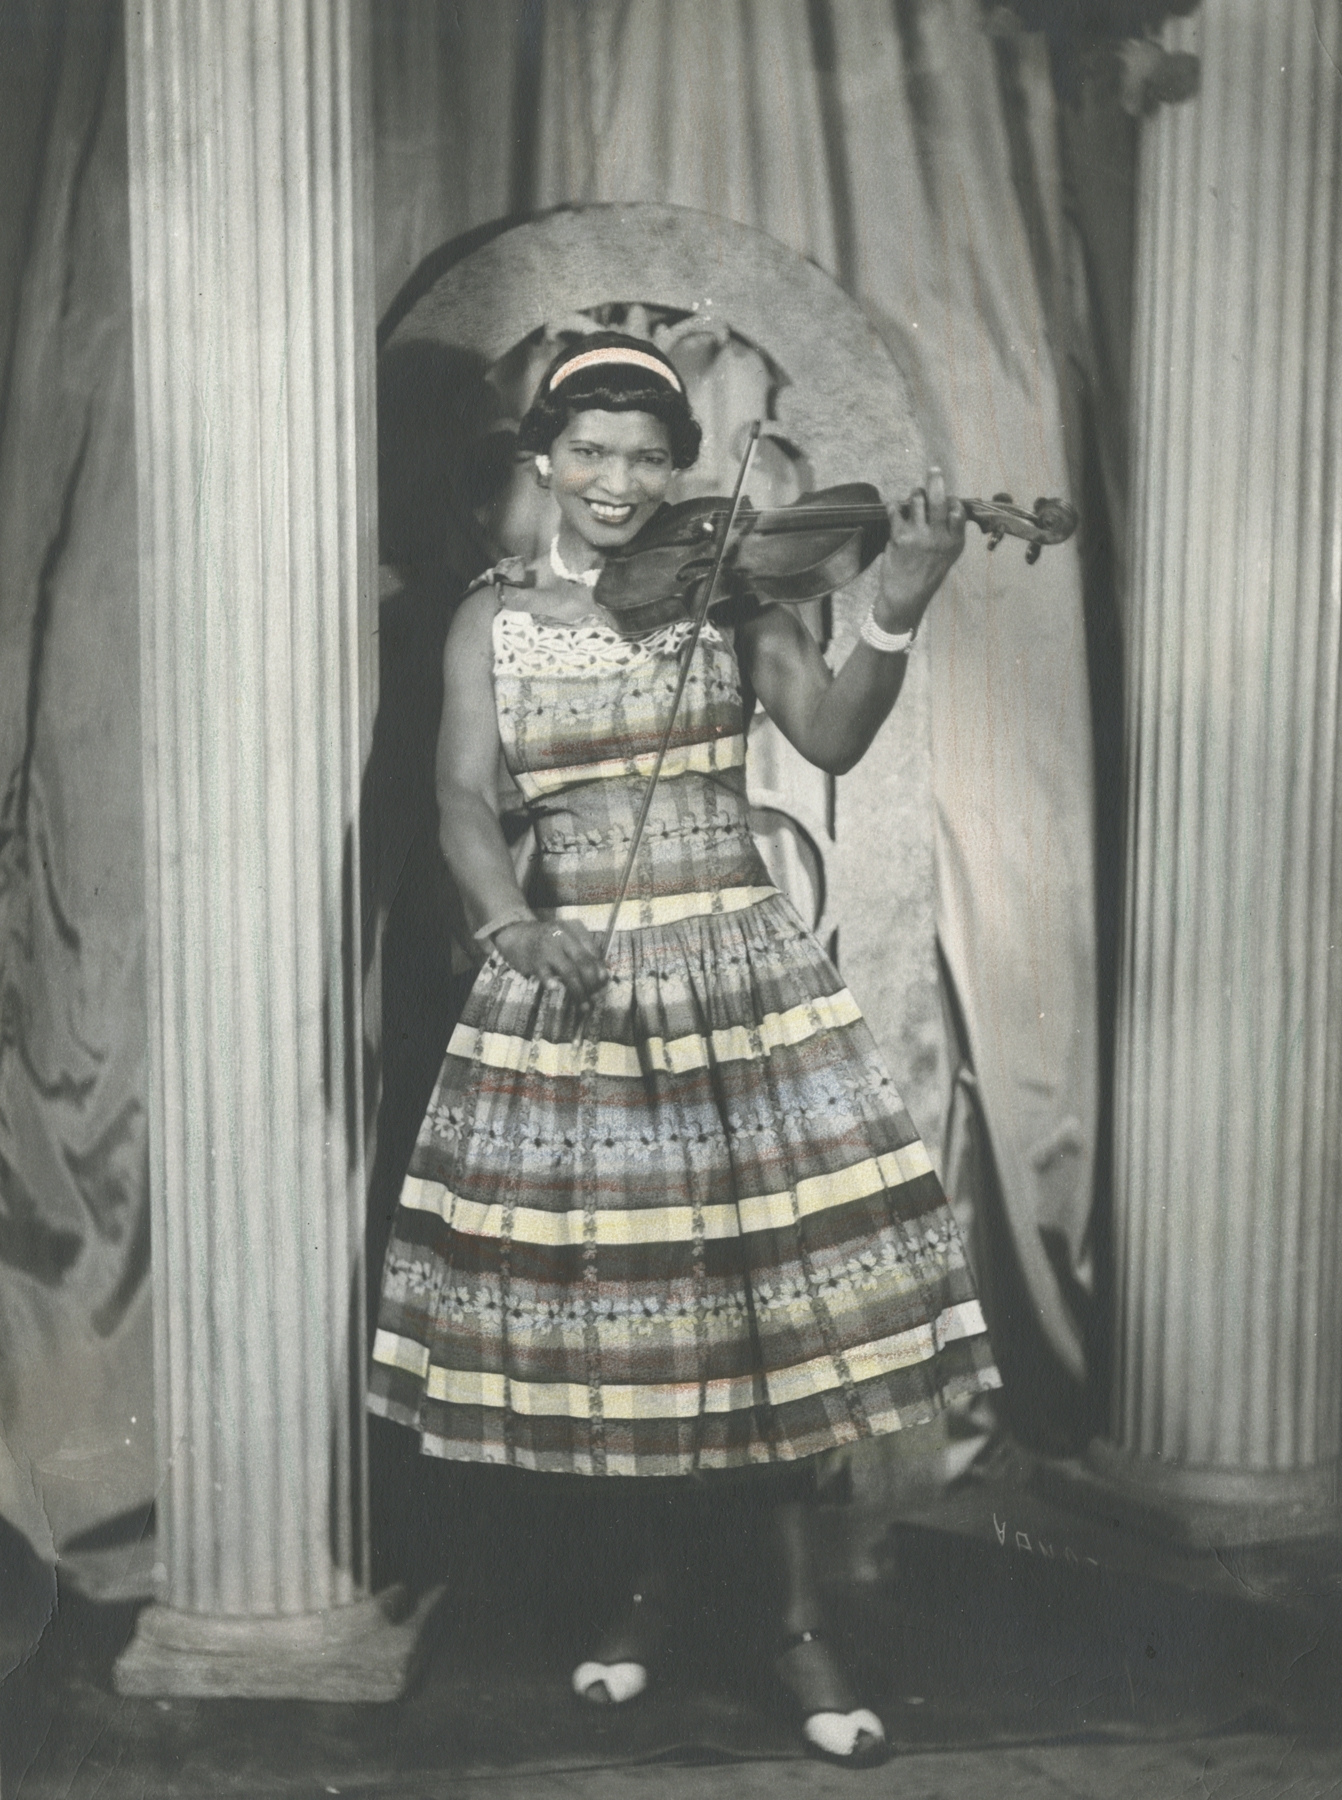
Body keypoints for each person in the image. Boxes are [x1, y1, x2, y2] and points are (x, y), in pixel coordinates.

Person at [369, 330, 1000, 1768]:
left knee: (759, 1316)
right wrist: (509, 920)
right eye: (589, 453)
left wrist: (896, 607)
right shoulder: (488, 620)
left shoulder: (734, 595)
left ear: (680, 470)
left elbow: (831, 736)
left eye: (648, 458)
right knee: (633, 1323)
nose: (618, 482)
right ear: (542, 461)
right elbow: (460, 796)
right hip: (575, 980)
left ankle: (794, 1623)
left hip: (734, 976)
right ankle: (648, 1593)